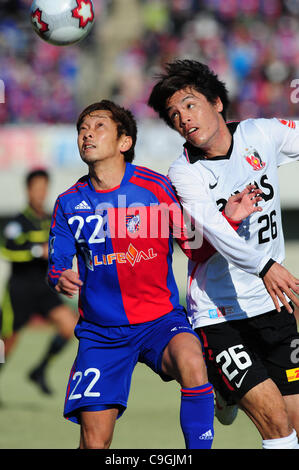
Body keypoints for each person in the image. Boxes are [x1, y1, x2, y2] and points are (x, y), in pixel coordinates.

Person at [47, 99, 261, 449]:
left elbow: (196, 249)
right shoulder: (68, 203)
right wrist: (60, 277)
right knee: (94, 442)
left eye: (98, 126)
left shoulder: (157, 188)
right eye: (82, 129)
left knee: (192, 361)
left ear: (124, 141)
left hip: (160, 322)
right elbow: (57, 265)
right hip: (102, 336)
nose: (87, 133)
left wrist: (230, 220)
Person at [148, 59, 299, 449]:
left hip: (272, 304)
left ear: (217, 102)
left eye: (190, 104)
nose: (183, 117)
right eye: (174, 114)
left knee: (296, 425)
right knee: (276, 426)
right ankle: (226, 383)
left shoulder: (259, 134)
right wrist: (265, 266)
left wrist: (267, 272)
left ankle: (224, 389)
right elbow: (214, 230)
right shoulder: (184, 173)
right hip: (219, 314)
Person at [0, 169, 77, 395]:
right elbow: (7, 250)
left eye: (44, 188)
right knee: (7, 344)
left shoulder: (51, 220)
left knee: (70, 326)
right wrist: (36, 250)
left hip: (44, 289)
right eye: (36, 188)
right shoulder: (18, 222)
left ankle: (40, 369)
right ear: (28, 190)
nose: (40, 193)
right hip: (19, 291)